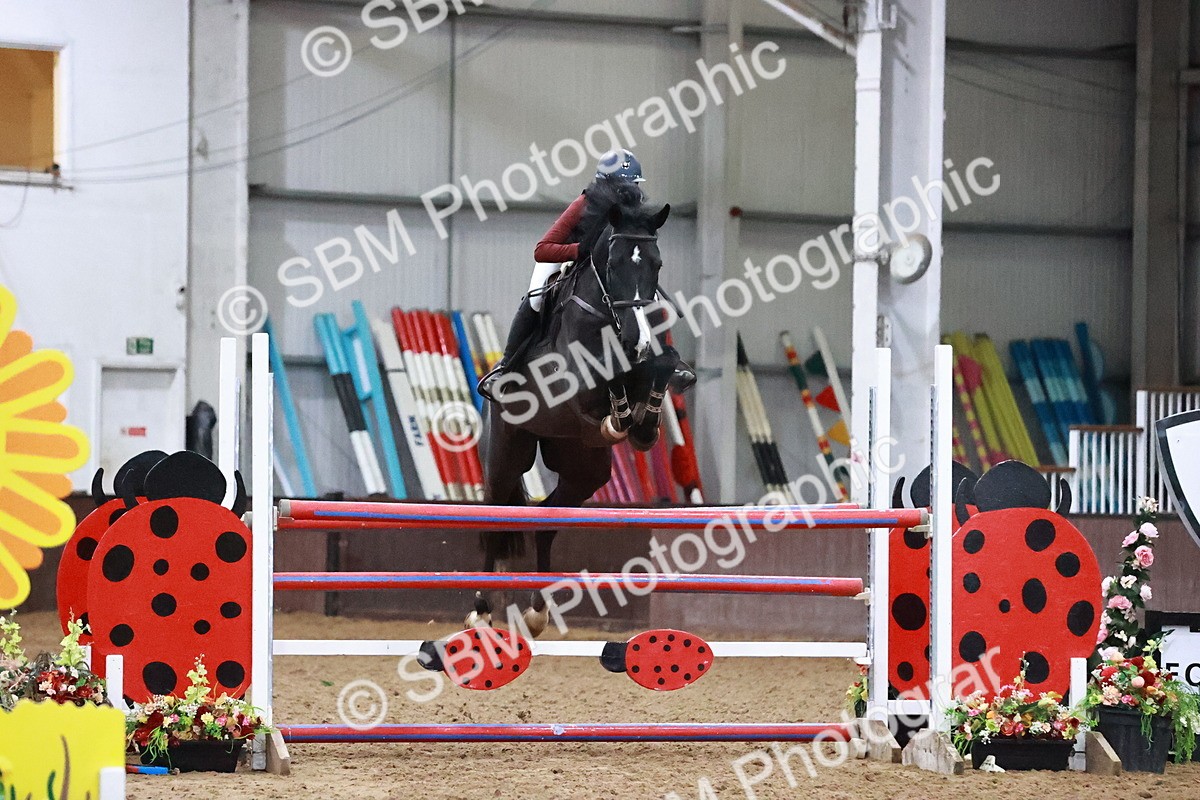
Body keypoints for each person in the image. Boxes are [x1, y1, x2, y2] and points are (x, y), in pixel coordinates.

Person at [479, 149, 648, 398]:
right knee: (535, 298)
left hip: (612, 267)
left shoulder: (634, 211)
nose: (628, 192)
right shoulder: (584, 204)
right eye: (623, 186)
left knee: (646, 295)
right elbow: (542, 249)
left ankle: (666, 362)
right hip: (567, 256)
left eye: (632, 185)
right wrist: (580, 250)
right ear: (606, 184)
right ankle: (506, 368)